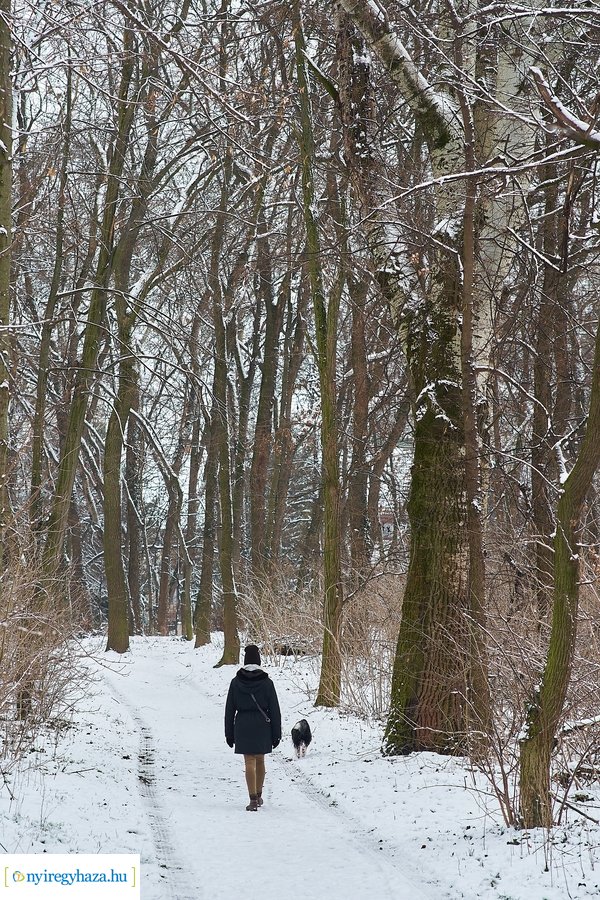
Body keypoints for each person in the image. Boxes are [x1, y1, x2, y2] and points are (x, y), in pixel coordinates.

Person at [224, 644, 282, 811]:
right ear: (259, 660)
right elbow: (275, 710)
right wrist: (276, 734)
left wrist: (229, 733)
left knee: (249, 761)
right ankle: (259, 794)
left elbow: (229, 710)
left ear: (244, 661)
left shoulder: (236, 682)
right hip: (262, 725)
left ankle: (252, 800)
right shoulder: (267, 683)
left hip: (242, 724)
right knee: (260, 760)